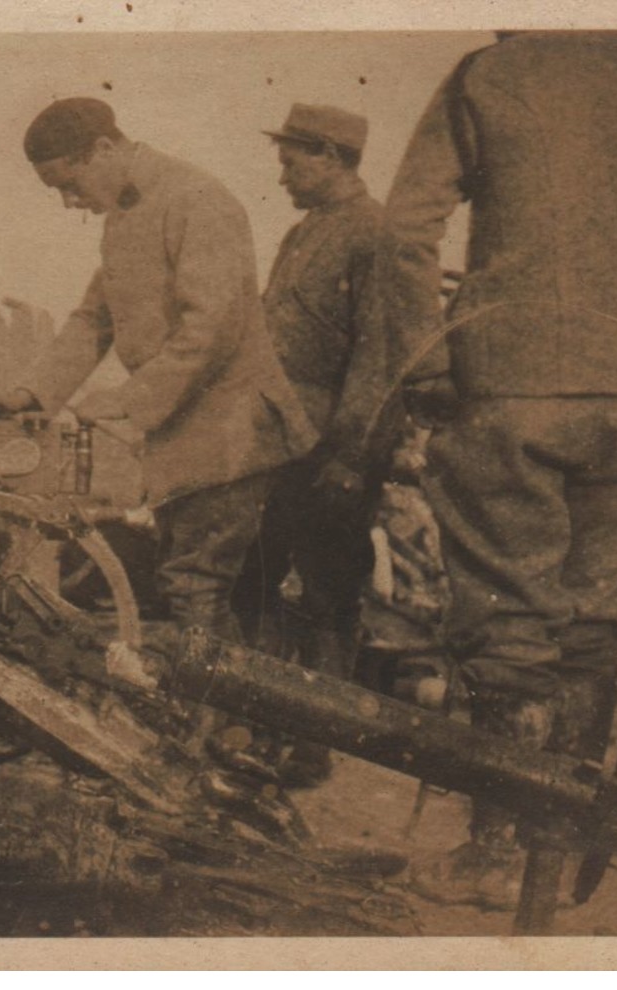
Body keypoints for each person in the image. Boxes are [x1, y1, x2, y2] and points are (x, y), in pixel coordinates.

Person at [380, 32, 617, 912]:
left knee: (509, 628)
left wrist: (426, 364)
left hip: (512, 380)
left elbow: (404, 228)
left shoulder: (491, 71)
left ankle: (501, 851)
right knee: (588, 622)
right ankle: (562, 856)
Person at [0, 97, 318, 646]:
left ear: (104, 150)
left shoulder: (196, 200)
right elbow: (95, 317)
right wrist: (29, 394)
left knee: (195, 587)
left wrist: (127, 399)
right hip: (191, 436)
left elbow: (211, 330)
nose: (69, 204)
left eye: (70, 185)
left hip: (234, 434)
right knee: (205, 590)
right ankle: (231, 723)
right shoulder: (124, 216)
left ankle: (215, 726)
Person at [235, 104, 396, 786]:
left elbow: (379, 357)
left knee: (328, 593)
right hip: (280, 443)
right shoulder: (305, 233)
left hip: (333, 451)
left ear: (330, 157)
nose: (282, 176)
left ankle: (314, 745)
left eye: (291, 160)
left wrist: (350, 456)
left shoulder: (374, 234)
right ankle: (265, 729)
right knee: (256, 581)